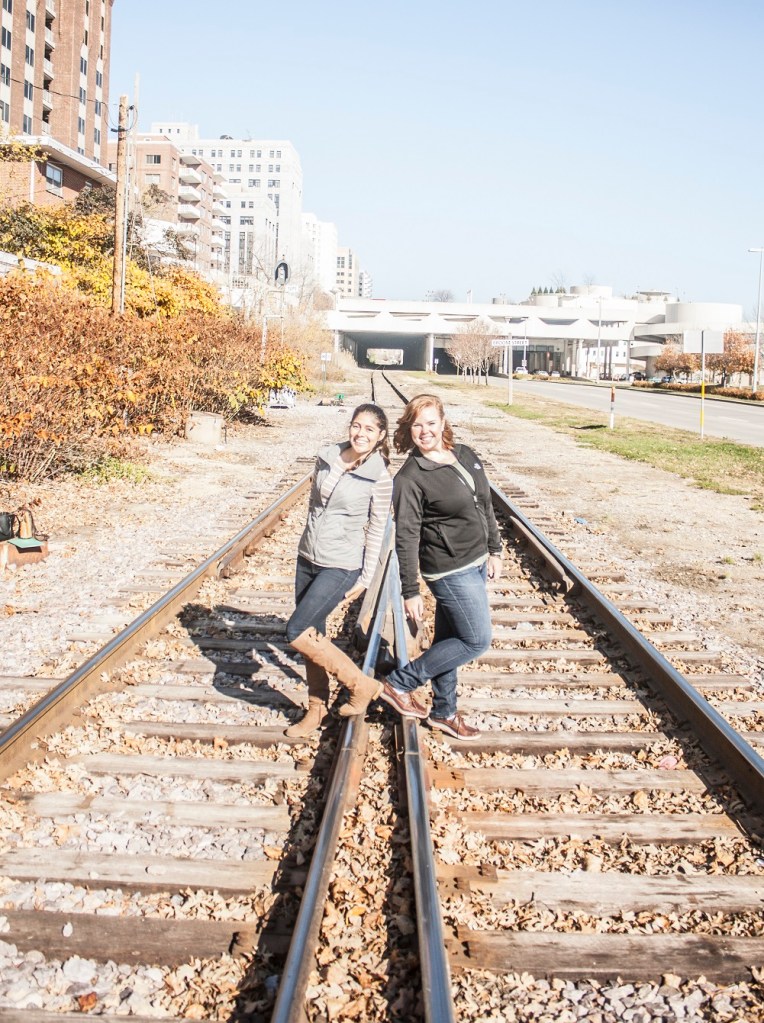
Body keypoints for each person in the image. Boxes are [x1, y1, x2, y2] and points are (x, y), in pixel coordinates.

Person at [379, 394, 503, 740]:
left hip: (476, 561)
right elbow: (406, 536)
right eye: (417, 425)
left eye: (431, 423)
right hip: (449, 570)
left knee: (451, 640)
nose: (425, 431)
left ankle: (444, 711)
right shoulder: (410, 478)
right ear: (409, 429)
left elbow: (485, 504)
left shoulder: (465, 454)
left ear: (443, 422)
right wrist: (410, 590)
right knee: (476, 640)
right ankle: (399, 683)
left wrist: (494, 549)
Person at [284, 403, 393, 737]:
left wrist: (366, 577)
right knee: (312, 634)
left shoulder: (380, 477)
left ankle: (361, 685)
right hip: (308, 556)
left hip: (341, 563)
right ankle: (316, 708)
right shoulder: (329, 456)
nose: (361, 434)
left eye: (369, 429)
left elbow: (377, 529)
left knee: (297, 630)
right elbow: (314, 505)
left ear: (381, 436)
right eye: (356, 426)